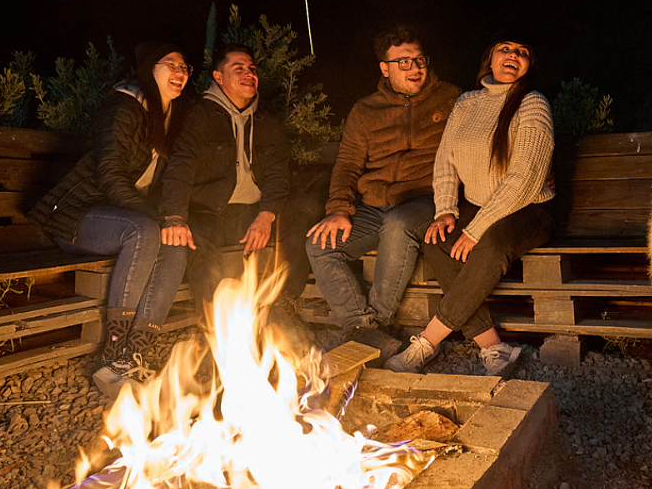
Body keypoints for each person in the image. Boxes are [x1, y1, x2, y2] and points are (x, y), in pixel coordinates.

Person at [28, 42, 193, 390]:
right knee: (146, 231)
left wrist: (173, 219)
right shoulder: (124, 107)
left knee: (175, 244)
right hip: (75, 215)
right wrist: (156, 218)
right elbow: (109, 172)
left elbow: (169, 182)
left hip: (125, 220)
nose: (180, 73)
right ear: (151, 69)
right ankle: (113, 353)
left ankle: (136, 353)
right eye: (171, 65)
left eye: (185, 68)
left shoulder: (167, 119)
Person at [385, 37, 555, 375]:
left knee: (489, 247)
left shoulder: (533, 103)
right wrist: (446, 210)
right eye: (505, 49)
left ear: (528, 65)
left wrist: (475, 231)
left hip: (529, 210)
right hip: (478, 208)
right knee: (436, 239)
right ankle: (494, 347)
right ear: (489, 59)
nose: (513, 56)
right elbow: (445, 160)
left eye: (522, 52)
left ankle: (426, 342)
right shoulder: (466, 103)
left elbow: (525, 178)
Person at [306, 25, 459, 350]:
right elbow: (347, 165)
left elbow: (479, 137)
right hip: (374, 205)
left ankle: (380, 320)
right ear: (385, 68)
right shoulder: (366, 111)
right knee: (320, 245)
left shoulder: (449, 99)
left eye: (419, 60)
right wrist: (338, 210)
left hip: (424, 200)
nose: (415, 68)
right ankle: (362, 327)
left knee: (398, 224)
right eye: (403, 62)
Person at [159, 43, 291, 320]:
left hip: (252, 211)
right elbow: (180, 167)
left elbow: (279, 173)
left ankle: (278, 317)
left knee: (296, 221)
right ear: (218, 77)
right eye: (238, 68)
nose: (249, 74)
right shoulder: (200, 117)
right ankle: (214, 329)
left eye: (252, 69)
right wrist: (174, 215)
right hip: (209, 210)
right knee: (201, 248)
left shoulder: (267, 123)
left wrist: (266, 216)